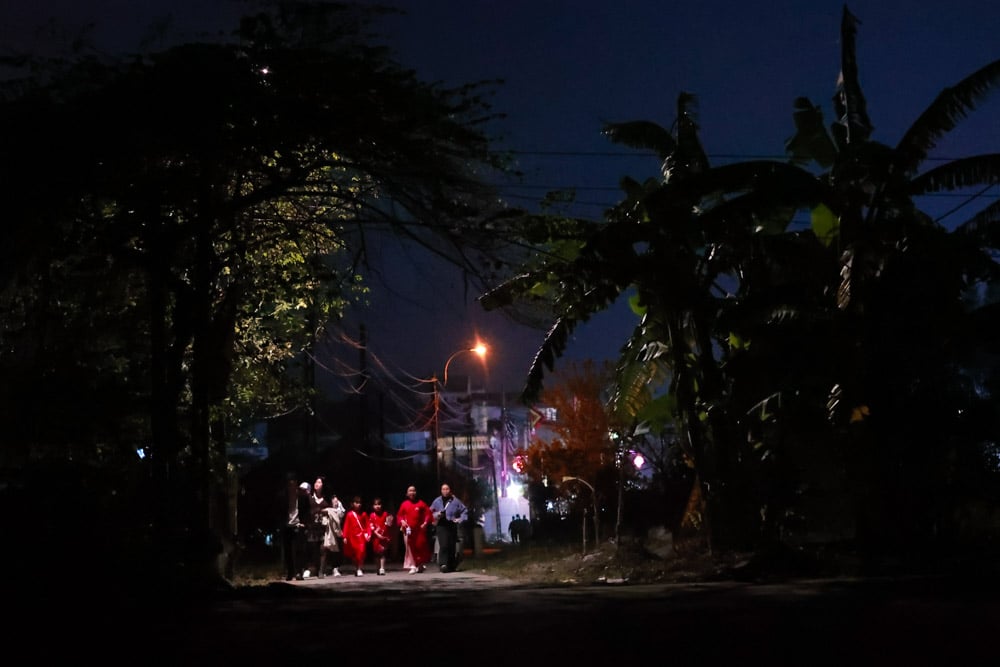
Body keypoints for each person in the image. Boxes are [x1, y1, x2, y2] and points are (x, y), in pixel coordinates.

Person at [429, 483, 468, 573]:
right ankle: (443, 564)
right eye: (443, 489)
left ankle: (451, 565)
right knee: (444, 545)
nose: (445, 491)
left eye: (447, 489)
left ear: (450, 490)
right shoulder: (437, 501)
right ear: (441, 491)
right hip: (441, 525)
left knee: (451, 546)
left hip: (452, 525)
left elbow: (464, 510)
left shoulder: (455, 501)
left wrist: (460, 519)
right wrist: (436, 514)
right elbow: (430, 512)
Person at [396, 485, 432, 574]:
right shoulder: (404, 504)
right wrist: (402, 522)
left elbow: (428, 514)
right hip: (408, 530)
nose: (412, 492)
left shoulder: (421, 503)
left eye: (413, 491)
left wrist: (425, 523)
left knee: (420, 546)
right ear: (407, 493)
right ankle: (412, 565)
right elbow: (399, 516)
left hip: (419, 531)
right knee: (410, 547)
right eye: (410, 491)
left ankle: (419, 564)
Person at [282, 478, 311, 580]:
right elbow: (279, 511)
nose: (292, 488)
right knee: (288, 550)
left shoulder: (302, 497)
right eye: (290, 485)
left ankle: (299, 572)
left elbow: (308, 510)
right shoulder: (284, 497)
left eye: (293, 485)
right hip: (287, 525)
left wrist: (304, 523)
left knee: (300, 549)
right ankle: (290, 572)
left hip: (299, 525)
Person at [302, 476, 330, 578]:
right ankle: (311, 568)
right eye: (316, 482)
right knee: (313, 549)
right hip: (311, 528)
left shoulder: (326, 499)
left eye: (319, 482)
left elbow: (331, 510)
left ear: (323, 485)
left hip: (322, 528)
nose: (317, 483)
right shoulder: (309, 497)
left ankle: (321, 571)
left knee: (323, 549)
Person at [319, 493, 346, 577]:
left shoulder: (340, 511)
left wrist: (338, 509)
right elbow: (322, 515)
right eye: (334, 501)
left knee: (336, 552)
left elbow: (341, 516)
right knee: (326, 550)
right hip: (328, 532)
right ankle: (324, 570)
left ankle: (335, 568)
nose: (336, 502)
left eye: (337, 501)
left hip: (337, 533)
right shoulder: (327, 509)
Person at [342, 495, 370, 576]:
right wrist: (345, 536)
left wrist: (368, 534)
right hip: (352, 537)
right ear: (353, 504)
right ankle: (356, 567)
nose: (359, 504)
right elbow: (346, 526)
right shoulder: (349, 514)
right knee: (354, 554)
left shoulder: (364, 514)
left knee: (361, 552)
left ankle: (359, 568)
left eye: (360, 503)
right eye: (357, 503)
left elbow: (367, 525)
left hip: (361, 537)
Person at [368, 497, 393, 576]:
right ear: (373, 506)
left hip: (384, 537)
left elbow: (389, 524)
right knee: (376, 554)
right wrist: (377, 534)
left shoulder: (385, 514)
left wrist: (385, 534)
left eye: (379, 504)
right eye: (375, 504)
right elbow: (371, 526)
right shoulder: (372, 515)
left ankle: (382, 568)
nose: (377, 506)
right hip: (376, 538)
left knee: (383, 553)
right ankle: (378, 567)